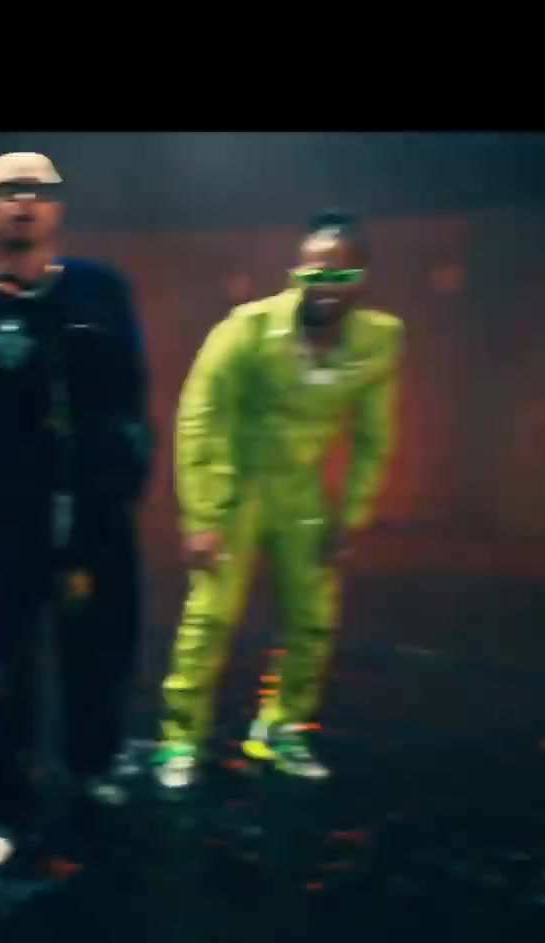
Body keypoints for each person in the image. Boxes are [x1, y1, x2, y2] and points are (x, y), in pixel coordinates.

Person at [0, 153, 151, 867]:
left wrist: (128, 473)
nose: (25, 201)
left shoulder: (100, 291)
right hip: (14, 519)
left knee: (100, 650)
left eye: (39, 190)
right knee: (4, 666)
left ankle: (92, 766)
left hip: (96, 512)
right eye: (8, 191)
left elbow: (132, 391)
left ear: (59, 207)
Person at [152, 210, 403, 791]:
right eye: (312, 272)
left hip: (301, 490)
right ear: (296, 273)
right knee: (211, 614)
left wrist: (350, 514)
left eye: (339, 275)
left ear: (361, 279)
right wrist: (204, 514)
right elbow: (200, 417)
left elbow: (375, 436)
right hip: (237, 484)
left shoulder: (379, 338)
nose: (323, 285)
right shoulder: (247, 328)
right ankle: (180, 738)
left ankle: (281, 727)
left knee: (313, 617)